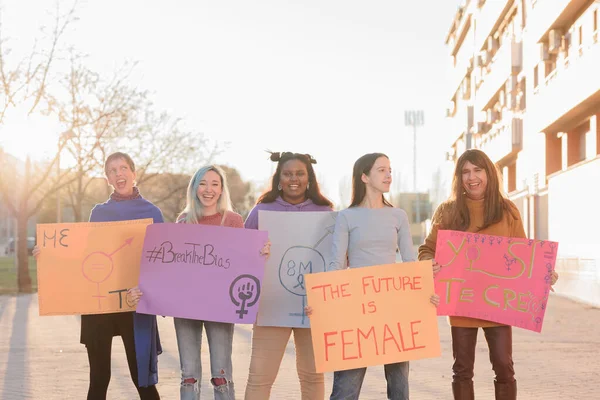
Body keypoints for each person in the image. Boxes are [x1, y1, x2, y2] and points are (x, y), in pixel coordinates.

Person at [418, 149, 559, 400]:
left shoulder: (507, 210)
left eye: (477, 170)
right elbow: (427, 249)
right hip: (461, 304)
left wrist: (543, 274)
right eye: (465, 172)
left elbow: (523, 255)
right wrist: (429, 261)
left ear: (489, 173)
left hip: (498, 304)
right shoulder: (448, 211)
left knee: (504, 367)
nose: (472, 177)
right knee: (462, 370)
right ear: (459, 178)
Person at [308, 152, 439, 400]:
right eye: (381, 170)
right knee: (346, 389)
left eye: (389, 169)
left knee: (399, 388)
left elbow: (410, 263)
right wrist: (321, 303)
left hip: (393, 308)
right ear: (365, 177)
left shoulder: (398, 215)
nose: (389, 174)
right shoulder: (347, 216)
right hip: (357, 309)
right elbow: (336, 263)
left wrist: (425, 294)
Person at [35, 152, 163, 400]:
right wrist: (48, 254)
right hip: (99, 304)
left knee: (142, 381)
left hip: (135, 305)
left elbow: (161, 261)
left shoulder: (152, 213)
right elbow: (85, 256)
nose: (119, 174)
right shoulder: (99, 213)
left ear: (134, 174)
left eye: (123, 168)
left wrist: (147, 290)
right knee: (99, 378)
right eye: (112, 171)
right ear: (108, 179)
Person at [152, 164, 269, 400]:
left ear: (222, 189)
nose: (209, 189)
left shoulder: (233, 221)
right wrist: (159, 295)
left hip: (220, 307)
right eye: (203, 183)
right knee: (189, 376)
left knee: (221, 375)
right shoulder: (184, 221)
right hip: (186, 307)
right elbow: (173, 267)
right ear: (194, 188)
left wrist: (259, 253)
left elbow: (243, 262)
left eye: (215, 184)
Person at [244, 151, 333, 400]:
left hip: (313, 309)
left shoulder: (326, 212)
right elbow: (241, 257)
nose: (294, 178)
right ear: (279, 178)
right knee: (259, 379)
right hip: (271, 307)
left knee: (313, 377)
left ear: (309, 177)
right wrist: (256, 253)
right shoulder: (260, 211)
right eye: (288, 174)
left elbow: (337, 259)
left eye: (300, 173)